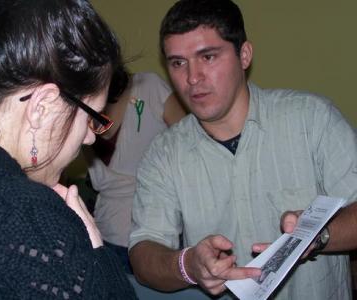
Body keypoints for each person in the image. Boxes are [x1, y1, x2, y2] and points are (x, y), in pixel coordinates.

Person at [128, 0, 357, 299]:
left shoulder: (312, 119)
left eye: (207, 57)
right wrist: (187, 265)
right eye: (178, 63)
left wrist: (319, 235)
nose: (192, 77)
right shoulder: (164, 155)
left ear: (244, 55)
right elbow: (143, 250)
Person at [0, 0, 137, 298]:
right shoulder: (29, 222)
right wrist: (95, 254)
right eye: (92, 118)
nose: (90, 139)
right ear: (43, 107)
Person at [85, 70, 186, 274]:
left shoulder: (146, 85)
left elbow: (191, 144)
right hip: (104, 236)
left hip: (153, 236)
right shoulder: (79, 103)